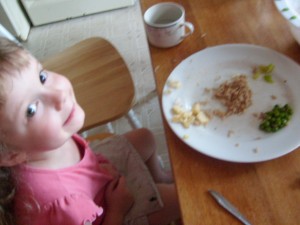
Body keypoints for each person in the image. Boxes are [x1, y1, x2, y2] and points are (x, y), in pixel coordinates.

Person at [0, 37, 180, 225]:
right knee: (179, 198)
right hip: (109, 215)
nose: (59, 94)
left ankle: (159, 177)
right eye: (31, 110)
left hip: (94, 177)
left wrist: (96, 168)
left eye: (42, 77)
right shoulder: (60, 205)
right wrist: (118, 208)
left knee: (146, 138)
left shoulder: (49, 138)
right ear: (11, 155)